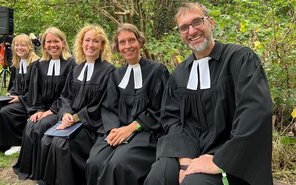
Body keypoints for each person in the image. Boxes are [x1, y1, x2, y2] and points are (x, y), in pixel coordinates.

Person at [144, 2, 273, 185]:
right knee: (159, 176)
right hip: (189, 152)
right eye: (184, 28)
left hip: (233, 157)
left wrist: (219, 160)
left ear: (211, 23)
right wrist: (184, 159)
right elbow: (171, 120)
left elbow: (255, 112)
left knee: (194, 183)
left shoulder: (240, 59)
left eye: (197, 22)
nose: (192, 31)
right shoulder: (179, 75)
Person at [86, 23, 169, 185]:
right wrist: (114, 130)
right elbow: (109, 108)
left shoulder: (157, 71)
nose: (127, 46)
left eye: (131, 40)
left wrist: (132, 127)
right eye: (122, 42)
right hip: (118, 131)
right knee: (94, 162)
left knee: (118, 165)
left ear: (140, 42)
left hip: (147, 132)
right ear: (117, 47)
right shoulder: (116, 75)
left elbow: (162, 109)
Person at [39, 24, 115, 185]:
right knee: (47, 139)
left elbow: (101, 104)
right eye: (87, 40)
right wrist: (66, 114)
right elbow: (66, 96)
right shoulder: (77, 68)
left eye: (96, 41)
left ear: (102, 45)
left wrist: (75, 118)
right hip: (70, 120)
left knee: (62, 144)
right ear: (81, 43)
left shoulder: (109, 71)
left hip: (91, 125)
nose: (91, 45)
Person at [13, 27, 75, 181]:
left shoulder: (71, 64)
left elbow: (68, 93)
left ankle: (40, 171)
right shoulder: (39, 65)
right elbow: (35, 92)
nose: (52, 45)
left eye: (56, 41)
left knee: (40, 127)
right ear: (44, 44)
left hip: (61, 110)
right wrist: (38, 110)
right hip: (44, 109)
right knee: (31, 124)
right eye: (49, 42)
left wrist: (51, 111)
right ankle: (29, 169)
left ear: (63, 43)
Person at [0, 34, 39, 155]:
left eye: (23, 45)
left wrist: (20, 98)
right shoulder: (17, 64)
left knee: (7, 111)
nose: (19, 48)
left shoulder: (36, 64)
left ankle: (17, 142)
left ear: (29, 47)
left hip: (31, 101)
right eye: (17, 45)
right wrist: (11, 93)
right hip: (20, 98)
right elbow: (15, 85)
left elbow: (36, 89)